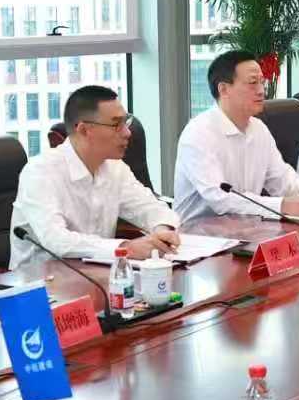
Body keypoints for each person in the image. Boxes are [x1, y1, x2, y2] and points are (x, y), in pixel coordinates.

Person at [173, 50, 299, 225]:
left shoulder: (258, 129)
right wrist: (281, 205)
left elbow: (284, 183)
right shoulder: (199, 133)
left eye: (262, 82)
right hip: (198, 237)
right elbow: (220, 199)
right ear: (223, 89)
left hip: (246, 229)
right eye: (252, 83)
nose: (261, 90)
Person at [12, 85, 179, 269]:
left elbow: (152, 208)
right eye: (116, 125)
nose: (127, 133)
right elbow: (57, 241)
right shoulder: (40, 172)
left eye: (126, 122)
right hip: (40, 280)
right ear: (84, 130)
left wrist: (161, 233)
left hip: (98, 274)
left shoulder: (115, 168)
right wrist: (126, 248)